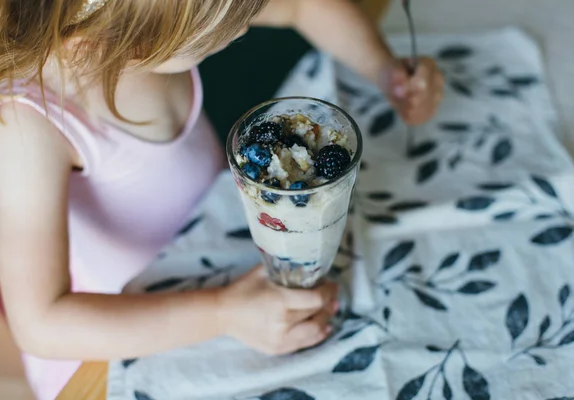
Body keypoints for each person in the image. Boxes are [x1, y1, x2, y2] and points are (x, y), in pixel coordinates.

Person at [0, 0, 444, 398]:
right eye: (220, 27)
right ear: (105, 40)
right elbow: (43, 325)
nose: (242, 27)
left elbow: (303, 5)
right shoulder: (26, 127)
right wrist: (223, 313)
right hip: (114, 340)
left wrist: (385, 70)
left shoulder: (152, 20)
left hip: (221, 257)